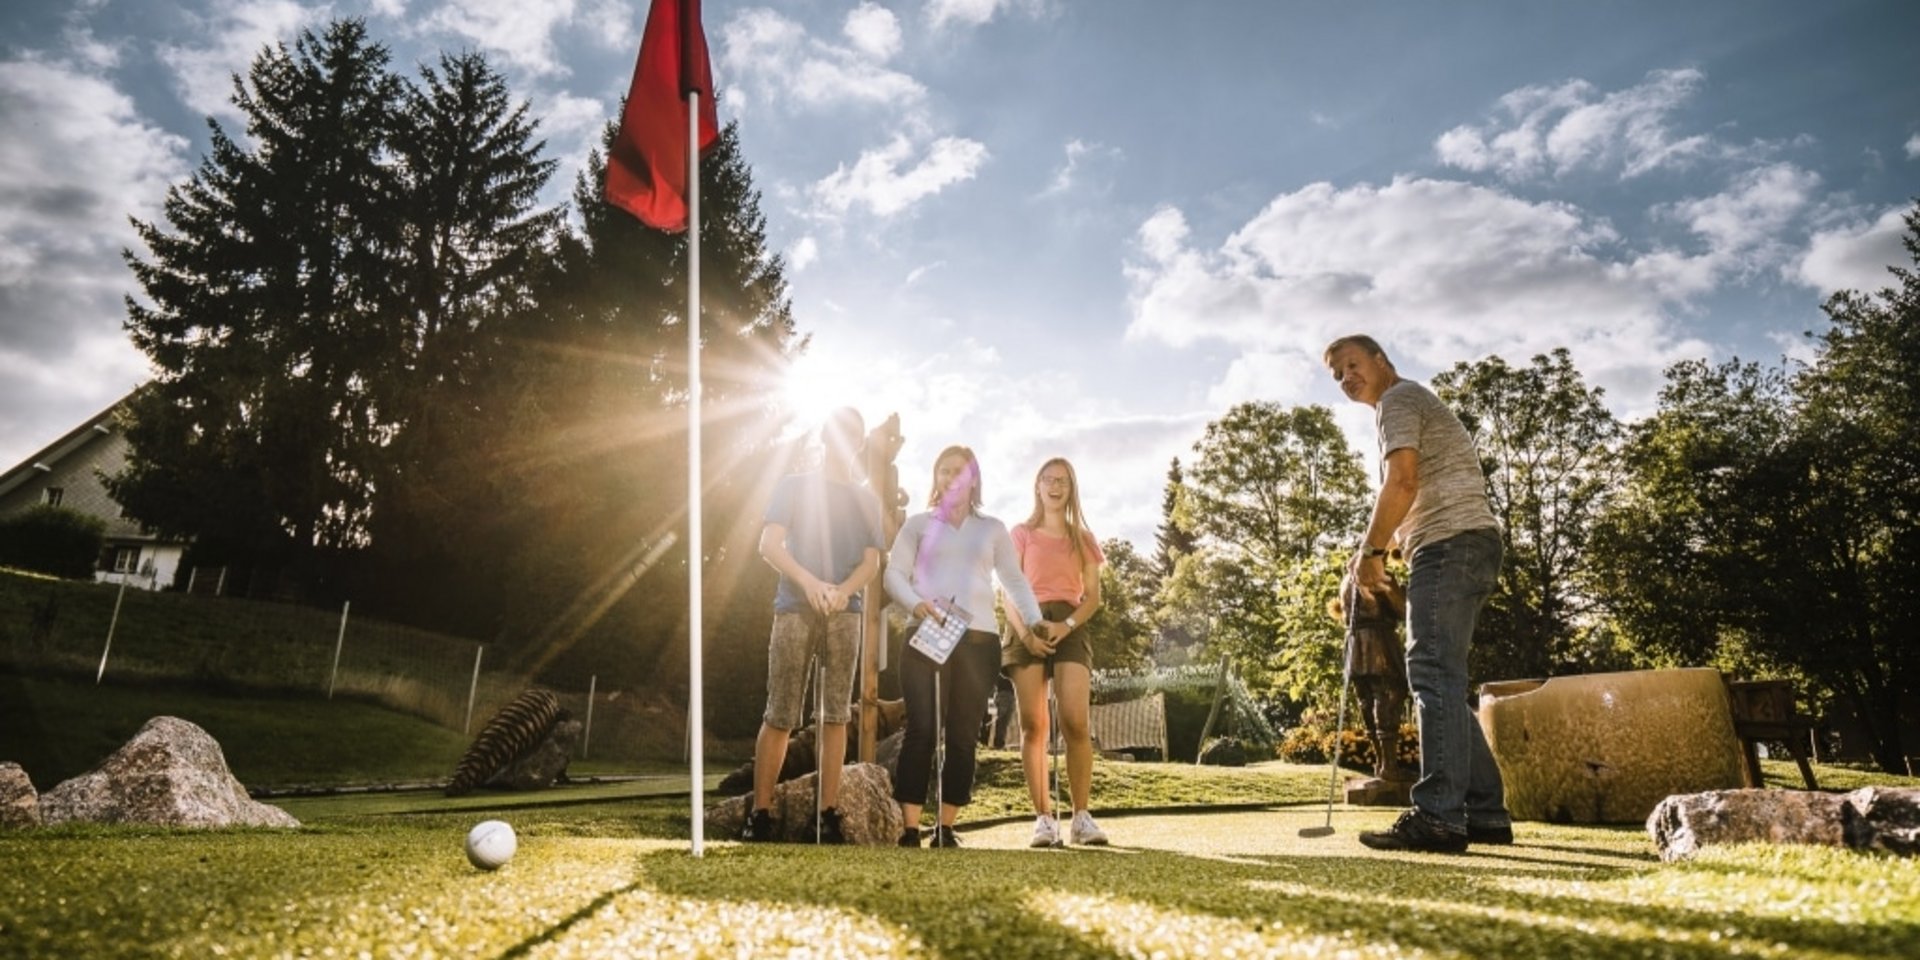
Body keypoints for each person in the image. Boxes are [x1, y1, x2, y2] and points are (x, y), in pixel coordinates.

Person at [1324, 334, 1513, 853]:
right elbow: (1412, 493)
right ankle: (1485, 813)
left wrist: (1370, 552)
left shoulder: (1398, 399)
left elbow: (1402, 481)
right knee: (1442, 676)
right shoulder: (1407, 402)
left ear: (1382, 360)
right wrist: (1388, 547)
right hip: (1462, 543)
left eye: (1353, 365)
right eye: (1337, 375)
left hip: (1450, 544)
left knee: (1430, 671)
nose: (1346, 378)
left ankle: (1439, 818)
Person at [885, 445, 1044, 848]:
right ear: (936, 477)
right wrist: (916, 604)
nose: (952, 478)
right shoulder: (918, 525)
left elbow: (1013, 579)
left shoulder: (992, 529)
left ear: (973, 480)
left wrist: (1034, 619)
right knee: (922, 728)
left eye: (960, 471)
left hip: (978, 642)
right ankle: (909, 829)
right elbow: (894, 575)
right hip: (925, 635)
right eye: (944, 470)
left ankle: (945, 828)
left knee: (962, 734)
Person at [744, 408, 884, 843]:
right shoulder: (794, 485)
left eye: (852, 433)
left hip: (845, 612)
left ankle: (827, 815)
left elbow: (872, 563)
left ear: (859, 442)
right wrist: (810, 583)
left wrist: (842, 591)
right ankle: (760, 814)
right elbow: (769, 545)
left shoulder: (867, 500)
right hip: (794, 607)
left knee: (835, 714)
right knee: (781, 711)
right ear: (825, 435)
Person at [1001, 457, 1108, 847]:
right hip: (1026, 622)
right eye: (1048, 479)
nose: (1055, 486)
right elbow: (1008, 592)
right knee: (1034, 726)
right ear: (1038, 486)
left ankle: (1081, 818)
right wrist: (1026, 637)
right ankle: (1044, 820)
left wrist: (1067, 625)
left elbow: (1092, 597)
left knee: (1075, 722)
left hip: (1069, 624)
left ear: (1071, 488)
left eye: (1062, 480)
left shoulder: (1083, 539)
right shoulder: (1020, 534)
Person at [1330, 573, 1419, 787]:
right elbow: (1404, 610)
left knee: (1367, 701)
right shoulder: (1379, 575)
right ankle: (1389, 766)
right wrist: (1401, 592)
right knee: (1388, 696)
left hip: (1355, 644)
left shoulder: (1347, 580)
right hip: (1378, 642)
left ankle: (1381, 763)